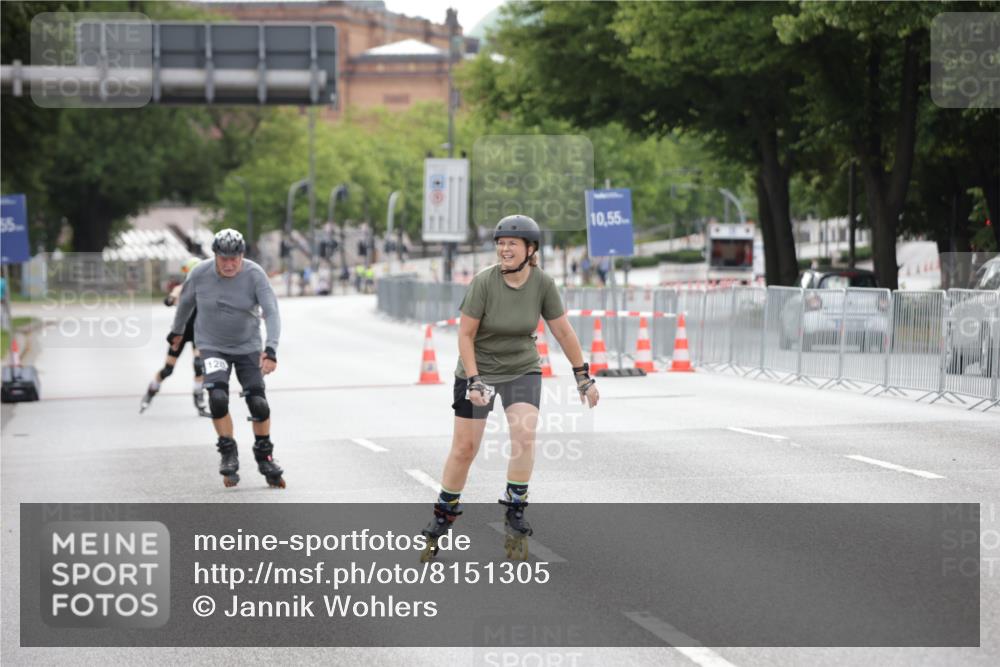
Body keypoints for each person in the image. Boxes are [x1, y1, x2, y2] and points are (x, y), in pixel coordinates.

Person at [419, 214, 600, 562]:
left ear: (530, 250)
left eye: (511, 244)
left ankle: (515, 510)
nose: (504, 249)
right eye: (500, 244)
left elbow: (563, 332)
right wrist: (473, 380)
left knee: (524, 434)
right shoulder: (484, 282)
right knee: (465, 449)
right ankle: (443, 515)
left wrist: (582, 375)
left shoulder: (543, 284)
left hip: (521, 366)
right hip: (479, 369)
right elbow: (466, 335)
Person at [169, 229, 284, 489]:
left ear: (242, 255)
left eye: (235, 258)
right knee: (218, 398)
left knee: (258, 402)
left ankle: (265, 456)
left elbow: (272, 313)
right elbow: (185, 303)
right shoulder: (199, 273)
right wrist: (176, 331)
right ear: (215, 256)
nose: (230, 264)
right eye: (224, 259)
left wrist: (271, 349)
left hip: (248, 347)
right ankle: (228, 451)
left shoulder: (255, 275)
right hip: (212, 346)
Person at [140, 258, 210, 417]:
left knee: (199, 365)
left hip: (199, 331)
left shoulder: (207, 288)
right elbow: (171, 297)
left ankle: (199, 397)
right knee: (168, 369)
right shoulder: (182, 287)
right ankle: (152, 388)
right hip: (180, 333)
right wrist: (171, 299)